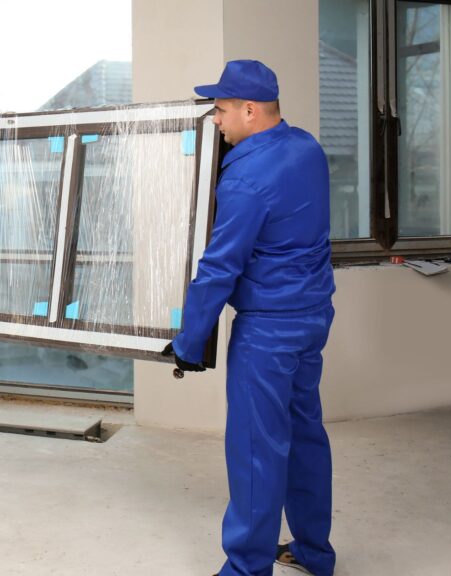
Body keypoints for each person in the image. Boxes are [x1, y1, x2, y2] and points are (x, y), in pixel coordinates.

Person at [160, 60, 337, 576]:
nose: (215, 119)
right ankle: (312, 552)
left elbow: (218, 269)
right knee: (305, 435)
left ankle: (244, 569)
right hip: (312, 316)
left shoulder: (247, 181)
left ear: (250, 110)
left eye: (220, 109)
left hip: (268, 330)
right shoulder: (307, 148)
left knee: (258, 449)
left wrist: (190, 343)